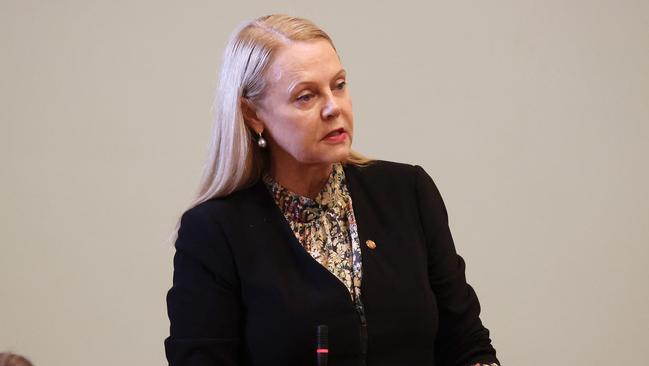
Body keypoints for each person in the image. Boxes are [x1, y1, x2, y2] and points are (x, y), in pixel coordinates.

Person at [165, 14, 500, 366]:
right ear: (253, 114)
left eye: (339, 85)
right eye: (306, 96)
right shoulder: (214, 232)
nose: (333, 107)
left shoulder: (408, 193)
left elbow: (466, 343)